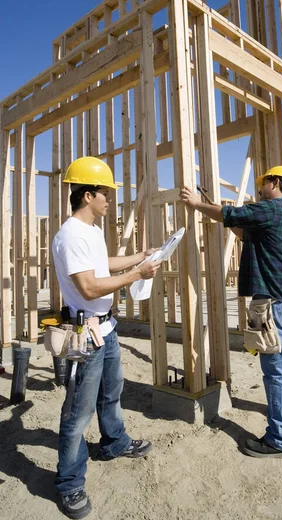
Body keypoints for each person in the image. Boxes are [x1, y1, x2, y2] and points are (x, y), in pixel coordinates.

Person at [52, 156, 161, 519]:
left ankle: (114, 443)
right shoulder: (69, 235)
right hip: (86, 333)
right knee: (78, 412)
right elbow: (88, 286)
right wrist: (137, 274)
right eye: (105, 193)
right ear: (87, 196)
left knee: (112, 393)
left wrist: (136, 258)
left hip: (107, 328)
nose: (109, 199)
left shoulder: (94, 231)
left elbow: (103, 264)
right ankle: (69, 483)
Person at [180, 166, 282, 459]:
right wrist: (216, 212)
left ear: (275, 183)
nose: (260, 189)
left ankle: (281, 440)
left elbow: (234, 215)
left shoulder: (271, 208)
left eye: (263, 184)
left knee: (276, 368)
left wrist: (197, 204)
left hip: (276, 301)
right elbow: (244, 231)